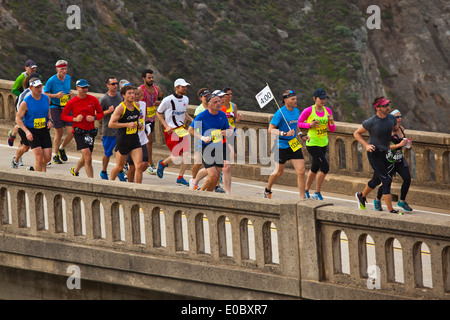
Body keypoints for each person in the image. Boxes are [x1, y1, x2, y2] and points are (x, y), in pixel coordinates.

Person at [354, 96, 401, 214]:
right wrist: (366, 146)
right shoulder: (371, 122)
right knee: (386, 180)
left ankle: (361, 196)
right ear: (377, 108)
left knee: (376, 180)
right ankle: (391, 210)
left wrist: (395, 138)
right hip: (374, 153)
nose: (387, 108)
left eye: (388, 105)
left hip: (386, 153)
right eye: (384, 106)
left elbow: (395, 129)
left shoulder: (391, 119)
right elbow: (356, 133)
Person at [264, 90, 309, 199]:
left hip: (293, 144)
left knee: (301, 171)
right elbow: (270, 130)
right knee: (278, 172)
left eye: (295, 98)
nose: (295, 101)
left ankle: (302, 198)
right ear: (285, 100)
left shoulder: (297, 111)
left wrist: (301, 135)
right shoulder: (280, 113)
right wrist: (285, 133)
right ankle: (268, 189)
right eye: (293, 99)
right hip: (281, 145)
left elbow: (296, 126)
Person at [188, 92, 233, 192]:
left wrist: (227, 132)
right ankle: (202, 193)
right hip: (206, 148)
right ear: (209, 104)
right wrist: (202, 137)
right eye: (215, 102)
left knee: (216, 178)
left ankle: (206, 194)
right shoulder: (202, 116)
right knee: (213, 175)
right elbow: (190, 129)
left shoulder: (222, 115)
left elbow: (229, 130)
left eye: (219, 101)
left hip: (218, 148)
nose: (219, 103)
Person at [297, 88, 336, 200]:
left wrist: (331, 121)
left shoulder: (328, 110)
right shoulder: (308, 110)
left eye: (324, 98)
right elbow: (298, 123)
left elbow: (332, 129)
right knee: (325, 167)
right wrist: (309, 125)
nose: (323, 100)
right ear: (315, 98)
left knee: (314, 168)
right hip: (312, 143)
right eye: (321, 98)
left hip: (324, 142)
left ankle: (306, 190)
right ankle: (317, 193)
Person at [61, 79, 104, 178]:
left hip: (90, 132)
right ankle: (91, 182)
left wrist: (94, 117)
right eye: (83, 87)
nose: (85, 89)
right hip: (79, 131)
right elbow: (63, 116)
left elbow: (101, 113)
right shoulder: (72, 101)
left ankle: (75, 170)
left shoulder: (93, 99)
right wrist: (75, 119)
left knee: (86, 157)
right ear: (77, 88)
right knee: (88, 157)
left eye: (86, 87)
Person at [373, 109, 413, 212]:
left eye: (400, 116)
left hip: (399, 158)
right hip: (388, 160)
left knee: (407, 178)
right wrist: (399, 145)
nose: (399, 119)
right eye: (397, 117)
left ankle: (402, 201)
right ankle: (377, 200)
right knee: (387, 182)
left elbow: (402, 143)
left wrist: (407, 144)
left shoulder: (401, 129)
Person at [155, 78, 193, 186]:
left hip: (181, 129)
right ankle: (162, 163)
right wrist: (166, 125)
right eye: (183, 87)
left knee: (186, 155)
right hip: (171, 130)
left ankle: (180, 177)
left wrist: (191, 120)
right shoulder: (167, 100)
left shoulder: (186, 99)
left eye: (186, 86)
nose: (185, 88)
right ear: (176, 88)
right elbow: (158, 113)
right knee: (177, 156)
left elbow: (183, 113)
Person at [15, 77, 53, 172]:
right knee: (39, 157)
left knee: (47, 158)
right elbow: (18, 118)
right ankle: (39, 179)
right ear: (31, 88)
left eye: (40, 86)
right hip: (32, 131)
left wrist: (50, 120)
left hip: (44, 130)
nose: (39, 89)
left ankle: (36, 170)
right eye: (36, 87)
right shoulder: (26, 102)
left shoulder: (46, 98)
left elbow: (48, 110)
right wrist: (27, 132)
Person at [108, 85, 143, 183]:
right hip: (123, 140)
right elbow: (111, 124)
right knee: (119, 167)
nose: (133, 95)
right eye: (130, 93)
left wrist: (139, 124)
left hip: (134, 140)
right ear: (123, 95)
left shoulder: (137, 105)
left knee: (139, 166)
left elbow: (135, 119)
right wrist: (127, 124)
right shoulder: (120, 108)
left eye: (133, 93)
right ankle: (109, 183)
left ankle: (137, 191)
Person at [43, 60, 75, 164]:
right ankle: (55, 155)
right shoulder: (51, 80)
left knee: (71, 132)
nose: (64, 71)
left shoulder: (68, 78)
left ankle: (62, 148)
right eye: (62, 69)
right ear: (57, 69)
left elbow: (67, 90)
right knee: (59, 133)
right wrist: (55, 96)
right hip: (55, 107)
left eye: (65, 69)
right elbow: (45, 93)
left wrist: (70, 94)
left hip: (66, 107)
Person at [99, 77, 126, 181]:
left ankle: (120, 171)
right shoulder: (104, 99)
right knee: (108, 153)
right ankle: (104, 171)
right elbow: (98, 115)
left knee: (122, 152)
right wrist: (108, 111)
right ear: (108, 85)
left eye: (116, 84)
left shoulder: (120, 96)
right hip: (108, 131)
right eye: (113, 84)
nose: (115, 86)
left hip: (119, 130)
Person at [138, 69, 163, 175]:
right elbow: (135, 101)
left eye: (152, 77)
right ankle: (149, 163)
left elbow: (160, 100)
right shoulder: (140, 89)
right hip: (141, 120)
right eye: (149, 77)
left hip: (152, 119)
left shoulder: (157, 89)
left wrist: (156, 104)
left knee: (149, 142)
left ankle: (147, 163)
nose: (151, 79)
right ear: (144, 78)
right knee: (146, 140)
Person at [8, 60, 38, 147]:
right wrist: (22, 95)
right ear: (26, 68)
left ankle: (13, 135)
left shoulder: (36, 76)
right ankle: (14, 136)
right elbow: (14, 89)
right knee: (22, 122)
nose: (33, 70)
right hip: (21, 102)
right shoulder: (22, 77)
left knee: (23, 123)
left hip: (32, 102)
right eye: (31, 68)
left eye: (34, 68)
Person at [221, 87, 243, 194]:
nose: (230, 96)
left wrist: (238, 119)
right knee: (228, 158)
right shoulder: (219, 106)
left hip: (231, 133)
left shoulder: (233, 106)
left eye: (231, 94)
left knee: (231, 155)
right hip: (222, 134)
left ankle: (222, 170)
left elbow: (234, 120)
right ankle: (222, 171)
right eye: (227, 94)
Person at [126, 87, 149, 182]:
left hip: (142, 139)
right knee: (132, 167)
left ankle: (136, 184)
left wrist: (147, 126)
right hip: (130, 139)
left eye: (138, 94)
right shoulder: (126, 106)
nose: (136, 96)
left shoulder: (143, 104)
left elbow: (144, 117)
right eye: (134, 94)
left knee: (144, 165)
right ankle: (130, 184)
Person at [191, 88, 211, 181]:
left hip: (211, 138)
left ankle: (216, 183)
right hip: (200, 138)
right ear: (201, 98)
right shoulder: (199, 110)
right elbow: (196, 126)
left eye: (208, 96)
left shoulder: (212, 107)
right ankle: (193, 179)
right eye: (205, 96)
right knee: (198, 162)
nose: (207, 98)